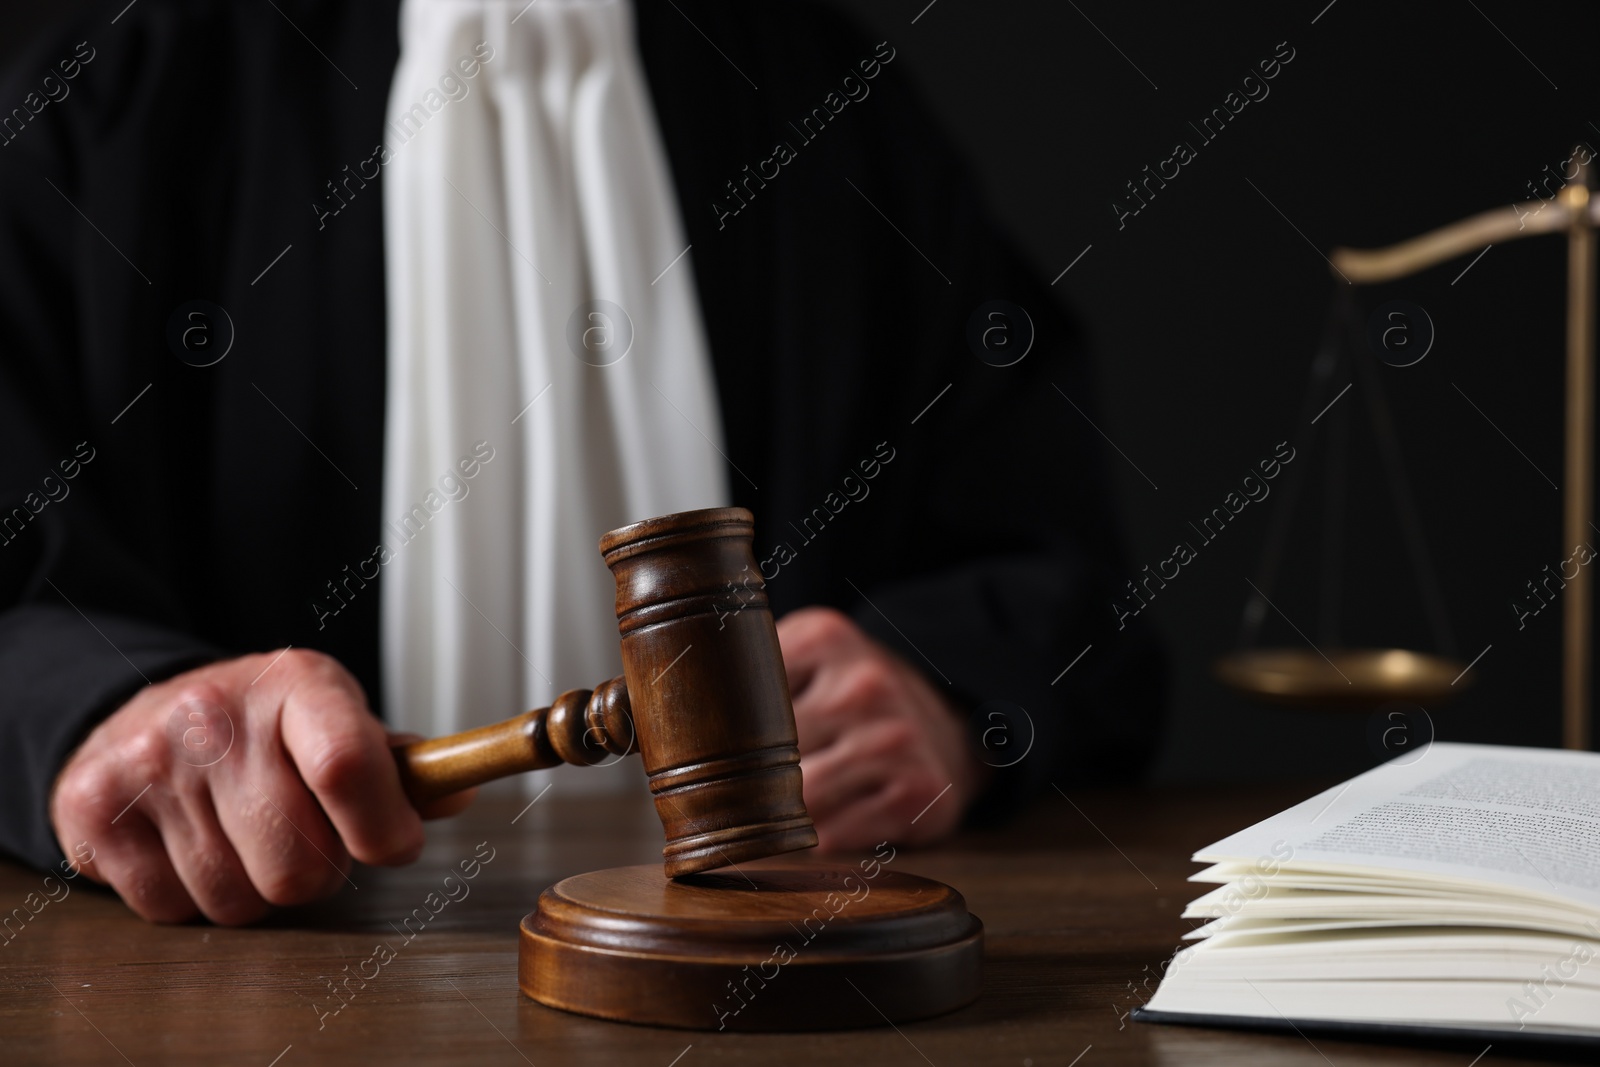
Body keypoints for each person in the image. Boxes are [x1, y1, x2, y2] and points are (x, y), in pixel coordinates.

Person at [0, 0, 1163, 926]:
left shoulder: (831, 103)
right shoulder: (113, 107)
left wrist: (946, 695)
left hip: (774, 988)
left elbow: (1060, 562)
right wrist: (100, 710)